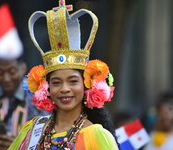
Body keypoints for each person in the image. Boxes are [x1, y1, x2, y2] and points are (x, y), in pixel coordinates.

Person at [8, 0, 119, 149]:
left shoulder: (96, 135)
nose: (64, 89)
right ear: (45, 88)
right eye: (56, 82)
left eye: (73, 81)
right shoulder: (32, 131)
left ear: (87, 85)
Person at [0, 55, 49, 150]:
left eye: (12, 72)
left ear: (23, 68)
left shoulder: (38, 102)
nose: (6, 79)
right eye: (0, 73)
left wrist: (18, 146)